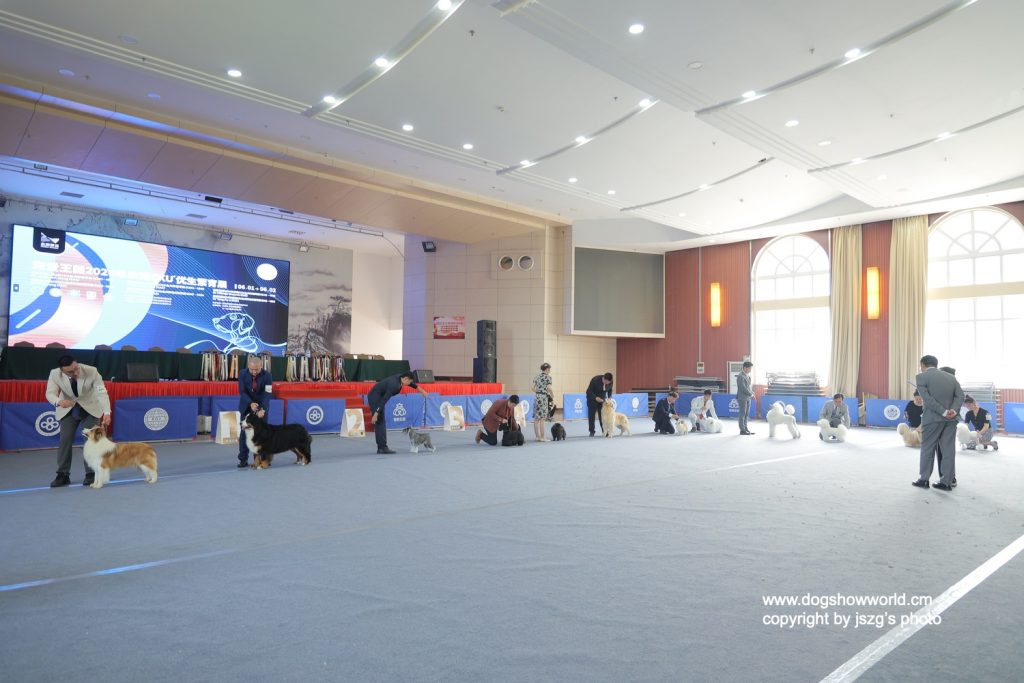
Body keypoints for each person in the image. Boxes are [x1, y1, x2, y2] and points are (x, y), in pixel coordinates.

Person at [45, 355, 112, 487]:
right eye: (70, 371)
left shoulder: (92, 371)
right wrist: (59, 402)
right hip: (68, 408)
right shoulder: (55, 374)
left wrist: (107, 412)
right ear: (62, 370)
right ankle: (63, 474)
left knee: (91, 441)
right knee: (65, 440)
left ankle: (91, 473)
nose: (75, 372)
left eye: (76, 368)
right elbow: (50, 393)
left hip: (90, 408)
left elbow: (101, 392)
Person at [913, 355, 964, 491]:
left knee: (927, 449)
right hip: (951, 419)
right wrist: (953, 410)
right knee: (948, 451)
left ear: (923, 365)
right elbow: (961, 396)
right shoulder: (951, 377)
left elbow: (927, 399)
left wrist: (943, 412)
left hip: (932, 419)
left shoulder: (921, 377)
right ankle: (946, 482)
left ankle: (924, 479)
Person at [367, 371, 429, 454]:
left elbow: (412, 384)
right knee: (380, 421)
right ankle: (382, 448)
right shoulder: (394, 385)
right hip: (375, 396)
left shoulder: (401, 377)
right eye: (409, 381)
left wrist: (422, 391)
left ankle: (381, 447)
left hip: (380, 395)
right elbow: (384, 399)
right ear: (405, 379)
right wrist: (376, 413)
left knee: (381, 421)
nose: (410, 384)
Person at [237, 355, 272, 468]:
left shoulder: (267, 376)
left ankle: (263, 459)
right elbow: (242, 392)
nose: (254, 372)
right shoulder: (242, 374)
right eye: (252, 369)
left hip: (261, 407)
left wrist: (262, 409)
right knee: (244, 434)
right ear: (248, 366)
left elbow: (267, 394)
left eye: (257, 369)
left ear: (261, 366)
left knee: (262, 435)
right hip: (247, 406)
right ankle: (243, 459)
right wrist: (250, 403)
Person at [585, 372, 613, 437]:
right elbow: (588, 391)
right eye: (607, 383)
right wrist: (595, 398)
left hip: (602, 400)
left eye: (609, 383)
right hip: (592, 399)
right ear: (604, 379)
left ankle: (604, 431)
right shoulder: (595, 380)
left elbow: (610, 389)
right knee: (591, 416)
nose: (607, 384)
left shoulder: (610, 381)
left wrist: (609, 397)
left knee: (603, 416)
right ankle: (592, 431)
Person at [532, 363, 554, 442]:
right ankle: (543, 437)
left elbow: (532, 388)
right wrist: (552, 396)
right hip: (543, 398)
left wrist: (538, 392)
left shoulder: (537, 377)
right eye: (549, 369)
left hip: (537, 397)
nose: (549, 371)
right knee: (542, 419)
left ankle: (537, 437)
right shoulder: (548, 377)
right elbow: (549, 388)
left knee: (536, 419)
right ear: (547, 369)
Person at [736, 361, 754, 435]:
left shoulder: (748, 376)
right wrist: (750, 394)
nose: (750, 370)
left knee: (746, 414)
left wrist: (752, 392)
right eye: (749, 368)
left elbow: (748, 387)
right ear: (745, 368)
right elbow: (743, 388)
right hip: (742, 398)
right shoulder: (740, 376)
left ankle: (746, 428)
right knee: (742, 414)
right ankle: (742, 430)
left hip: (748, 398)